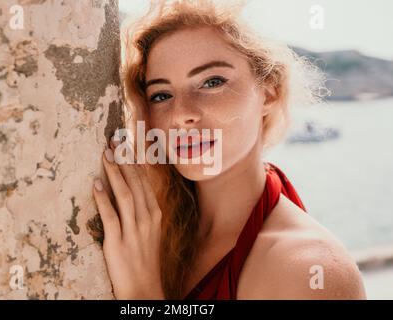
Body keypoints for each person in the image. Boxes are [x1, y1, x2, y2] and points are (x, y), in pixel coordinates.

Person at [92, 0, 366, 300]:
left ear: (268, 92)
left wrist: (141, 295)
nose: (181, 113)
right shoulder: (149, 230)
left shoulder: (308, 269)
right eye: (161, 95)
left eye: (212, 82)